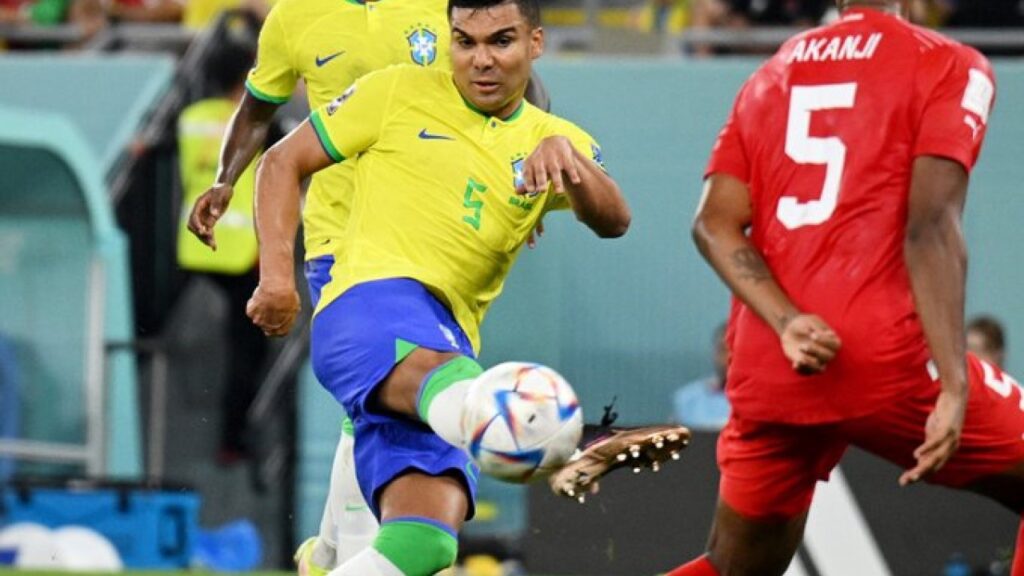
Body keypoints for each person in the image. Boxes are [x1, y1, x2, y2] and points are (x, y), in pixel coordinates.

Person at [246, 1, 685, 573]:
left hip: (443, 353)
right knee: (451, 382)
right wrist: (277, 277)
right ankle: (563, 442)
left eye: (500, 42)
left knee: (424, 546)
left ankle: (326, 556)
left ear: (535, 43)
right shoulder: (396, 91)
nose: (480, 60)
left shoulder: (552, 137)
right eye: (464, 41)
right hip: (365, 313)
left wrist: (572, 167)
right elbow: (281, 162)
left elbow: (614, 220)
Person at [671, 1, 1024, 575]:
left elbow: (712, 222)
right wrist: (954, 387)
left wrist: (787, 323)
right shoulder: (949, 64)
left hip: (776, 363)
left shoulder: (771, 73)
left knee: (735, 566)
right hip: (883, 359)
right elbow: (930, 227)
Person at [186, 0, 455, 572]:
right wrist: (224, 180)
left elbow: (514, 91)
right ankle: (357, 553)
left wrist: (524, 177)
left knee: (375, 400)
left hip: (435, 237)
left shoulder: (442, 8)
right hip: (340, 242)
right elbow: (258, 109)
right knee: (377, 385)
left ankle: (327, 553)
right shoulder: (294, 17)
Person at [176, 26, 270, 466]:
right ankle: (235, 438)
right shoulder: (253, 121)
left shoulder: (190, 116)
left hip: (195, 245)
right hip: (241, 250)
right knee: (248, 349)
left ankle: (230, 434)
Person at [672, 323, 730, 431]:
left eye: (737, 349)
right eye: (723, 350)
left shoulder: (761, 399)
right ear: (715, 352)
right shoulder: (687, 398)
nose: (729, 356)